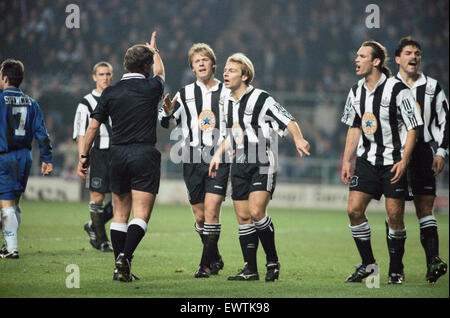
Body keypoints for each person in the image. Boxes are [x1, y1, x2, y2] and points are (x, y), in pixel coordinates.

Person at [209, 53, 310, 281]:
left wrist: (298, 139)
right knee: (243, 217)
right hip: (239, 162)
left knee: (256, 212)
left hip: (263, 160)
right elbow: (231, 133)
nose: (225, 73)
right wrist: (217, 154)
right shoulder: (225, 100)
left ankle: (272, 261)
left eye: (232, 70)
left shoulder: (262, 99)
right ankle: (250, 269)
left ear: (245, 76)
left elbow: (287, 119)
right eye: (225, 69)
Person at [77, 32, 164, 282]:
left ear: (125, 66)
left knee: (119, 214)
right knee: (141, 215)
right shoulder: (152, 86)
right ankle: (124, 257)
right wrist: (155, 50)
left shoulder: (110, 92)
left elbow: (92, 127)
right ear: (146, 66)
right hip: (144, 154)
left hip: (117, 155)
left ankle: (119, 268)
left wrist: (85, 155)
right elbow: (161, 73)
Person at [340, 40, 423, 284]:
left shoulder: (398, 89)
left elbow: (413, 127)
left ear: (376, 61)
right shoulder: (356, 91)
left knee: (394, 216)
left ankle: (396, 269)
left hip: (393, 162)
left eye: (362, 56)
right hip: (366, 161)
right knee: (354, 210)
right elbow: (355, 126)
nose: (356, 60)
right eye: (357, 55)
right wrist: (347, 160)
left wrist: (404, 161)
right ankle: (368, 265)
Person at [160, 43, 230, 278]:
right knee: (200, 216)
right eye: (196, 61)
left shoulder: (227, 92)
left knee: (211, 211)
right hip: (190, 158)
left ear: (213, 64)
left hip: (218, 157)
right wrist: (168, 110)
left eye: (205, 59)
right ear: (192, 67)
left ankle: (205, 266)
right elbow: (168, 123)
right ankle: (215, 257)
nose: (200, 63)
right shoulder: (185, 93)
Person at [394, 36, 448, 283]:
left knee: (425, 209)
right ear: (398, 59)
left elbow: (445, 121)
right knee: (394, 212)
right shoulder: (388, 86)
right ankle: (397, 269)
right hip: (394, 154)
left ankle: (432, 265)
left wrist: (441, 151)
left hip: (423, 152)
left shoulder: (433, 87)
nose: (414, 57)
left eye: (417, 53)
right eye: (408, 53)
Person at [0, 59, 53, 259]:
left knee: (6, 203)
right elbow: (42, 134)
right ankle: (8, 244)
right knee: (13, 203)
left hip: (5, 157)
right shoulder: (32, 103)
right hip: (24, 157)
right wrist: (47, 158)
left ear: (5, 78)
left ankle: (12, 248)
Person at [73, 61, 114, 252]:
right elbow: (82, 133)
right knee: (97, 197)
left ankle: (92, 225)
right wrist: (83, 158)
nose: (105, 78)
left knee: (123, 197)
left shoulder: (116, 97)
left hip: (116, 153)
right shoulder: (86, 102)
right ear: (94, 77)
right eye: (101, 74)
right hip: (97, 154)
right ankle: (102, 240)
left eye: (108, 74)